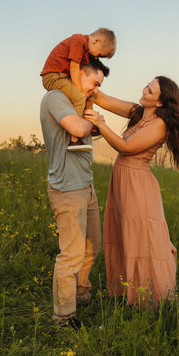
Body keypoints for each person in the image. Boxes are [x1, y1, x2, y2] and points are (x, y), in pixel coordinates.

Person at [84, 76, 179, 307]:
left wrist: (101, 124)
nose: (144, 90)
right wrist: (85, 85)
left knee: (143, 239)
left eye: (150, 91)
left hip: (139, 186)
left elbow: (126, 147)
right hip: (123, 181)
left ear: (161, 103)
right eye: (147, 85)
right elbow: (101, 98)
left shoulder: (159, 125)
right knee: (124, 234)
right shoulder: (137, 113)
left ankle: (152, 298)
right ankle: (127, 291)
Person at [40, 58, 109, 327]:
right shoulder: (56, 98)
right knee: (70, 254)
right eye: (94, 83)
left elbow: (87, 132)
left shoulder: (79, 104)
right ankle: (63, 317)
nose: (94, 90)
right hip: (67, 189)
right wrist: (98, 124)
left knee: (93, 245)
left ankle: (80, 293)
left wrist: (97, 124)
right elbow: (80, 129)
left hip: (85, 186)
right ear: (79, 72)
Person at [40, 28, 116, 151]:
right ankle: (74, 140)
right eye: (99, 54)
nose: (96, 58)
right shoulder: (79, 41)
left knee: (88, 98)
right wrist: (78, 90)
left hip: (62, 76)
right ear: (96, 41)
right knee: (80, 97)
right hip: (53, 76)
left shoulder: (85, 50)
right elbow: (74, 67)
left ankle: (88, 120)